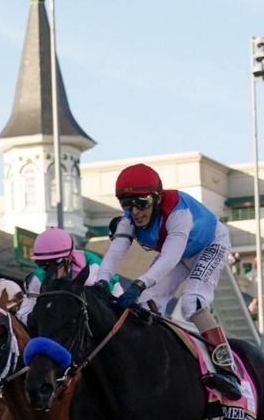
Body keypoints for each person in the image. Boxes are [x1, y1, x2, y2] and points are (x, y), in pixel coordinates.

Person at [96, 163, 242, 399]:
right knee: (144, 302)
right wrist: (101, 282)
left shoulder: (178, 214)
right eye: (127, 204)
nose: (135, 212)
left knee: (191, 302)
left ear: (156, 198)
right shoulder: (129, 220)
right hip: (181, 253)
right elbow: (115, 252)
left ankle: (228, 370)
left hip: (209, 246)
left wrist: (140, 282)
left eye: (141, 203)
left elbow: (170, 257)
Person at [18, 227, 114, 324]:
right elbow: (24, 314)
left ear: (69, 258)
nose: (51, 271)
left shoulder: (91, 267)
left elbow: (105, 309)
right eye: (42, 263)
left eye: (55, 263)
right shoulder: (37, 279)